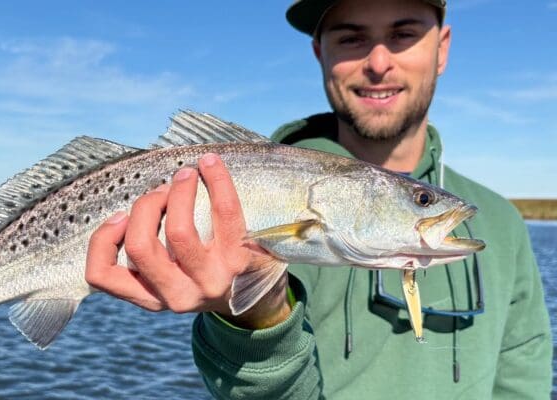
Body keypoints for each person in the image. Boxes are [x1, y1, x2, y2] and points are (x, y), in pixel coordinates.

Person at [85, 0, 553, 398]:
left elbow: (522, 379)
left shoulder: (503, 223)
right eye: (351, 37)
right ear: (318, 52)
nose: (378, 62)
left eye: (403, 33)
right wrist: (254, 317)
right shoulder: (243, 188)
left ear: (443, 47)